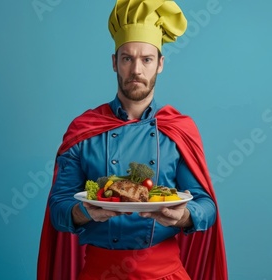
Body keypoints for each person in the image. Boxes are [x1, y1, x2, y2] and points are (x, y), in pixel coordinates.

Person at [37, 0, 228, 279]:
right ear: (115, 62)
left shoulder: (178, 129)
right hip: (99, 273)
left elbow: (206, 205)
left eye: (146, 59)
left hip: (165, 272)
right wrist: (85, 212)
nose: (136, 70)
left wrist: (185, 217)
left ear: (160, 64)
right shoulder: (84, 129)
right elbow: (58, 208)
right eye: (127, 58)